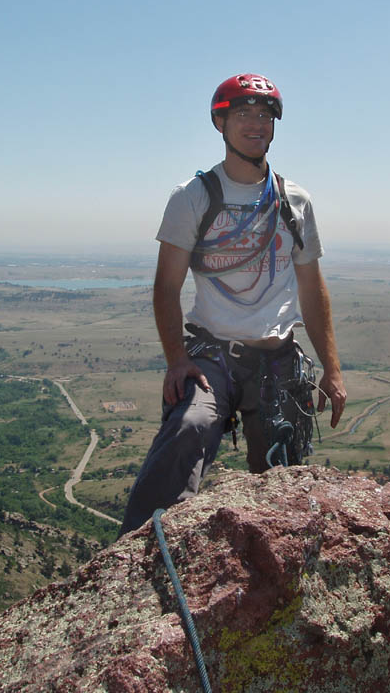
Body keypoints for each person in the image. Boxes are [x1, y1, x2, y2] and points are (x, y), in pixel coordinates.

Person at [118, 73, 346, 536]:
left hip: (277, 356)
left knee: (281, 471)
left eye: (265, 115)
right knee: (189, 428)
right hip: (212, 354)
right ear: (220, 123)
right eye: (243, 114)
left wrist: (333, 370)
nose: (256, 123)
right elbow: (166, 286)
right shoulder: (194, 197)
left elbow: (312, 288)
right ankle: (138, 550)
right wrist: (176, 360)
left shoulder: (294, 201)